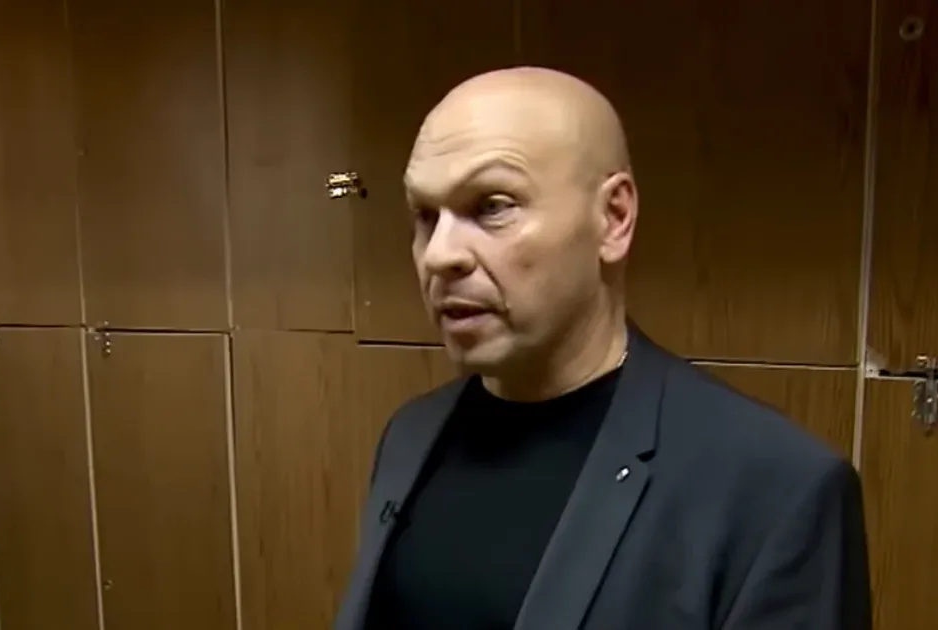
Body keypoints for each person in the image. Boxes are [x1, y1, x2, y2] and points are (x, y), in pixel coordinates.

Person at [334, 67, 872, 630]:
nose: (440, 254)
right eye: (425, 215)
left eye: (492, 206)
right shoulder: (409, 436)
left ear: (614, 218)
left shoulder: (777, 491)